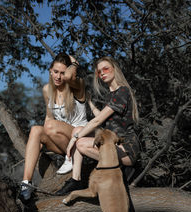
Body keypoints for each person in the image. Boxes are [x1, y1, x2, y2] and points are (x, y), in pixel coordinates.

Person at [55, 56, 140, 196]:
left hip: (126, 148)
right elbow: (104, 118)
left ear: (115, 69)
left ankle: (119, 167)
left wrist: (73, 140)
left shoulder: (123, 91)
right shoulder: (110, 95)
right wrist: (90, 102)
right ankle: (75, 179)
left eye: (106, 69)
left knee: (80, 142)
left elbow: (98, 120)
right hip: (112, 144)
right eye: (99, 72)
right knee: (78, 129)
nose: (102, 73)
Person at [19, 52, 87, 202]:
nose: (58, 76)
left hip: (80, 141)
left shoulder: (77, 86)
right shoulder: (47, 90)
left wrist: (74, 63)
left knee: (48, 126)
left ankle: (72, 159)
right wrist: (42, 139)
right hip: (62, 140)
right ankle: (26, 184)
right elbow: (49, 116)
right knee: (36, 130)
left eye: (62, 73)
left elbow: (70, 77)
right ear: (50, 70)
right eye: (55, 72)